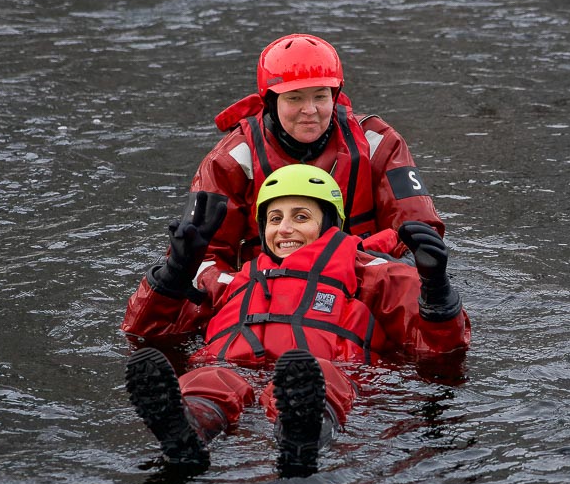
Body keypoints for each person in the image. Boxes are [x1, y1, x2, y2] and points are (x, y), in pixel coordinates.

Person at [122, 164, 470, 477]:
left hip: (332, 373)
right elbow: (145, 330)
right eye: (275, 219)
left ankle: (303, 435)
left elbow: (440, 349)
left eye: (301, 217)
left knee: (319, 375)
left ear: (329, 223)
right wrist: (174, 272)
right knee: (208, 378)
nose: (285, 229)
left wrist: (437, 287)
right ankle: (188, 428)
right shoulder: (234, 279)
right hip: (236, 368)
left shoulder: (371, 273)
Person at [179, 33, 446, 306]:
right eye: (295, 98)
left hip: (359, 283)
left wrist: (389, 273)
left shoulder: (378, 142)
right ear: (271, 102)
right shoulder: (231, 159)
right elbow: (201, 257)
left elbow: (420, 230)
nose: (310, 110)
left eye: (320, 96)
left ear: (335, 96)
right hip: (263, 292)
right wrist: (245, 291)